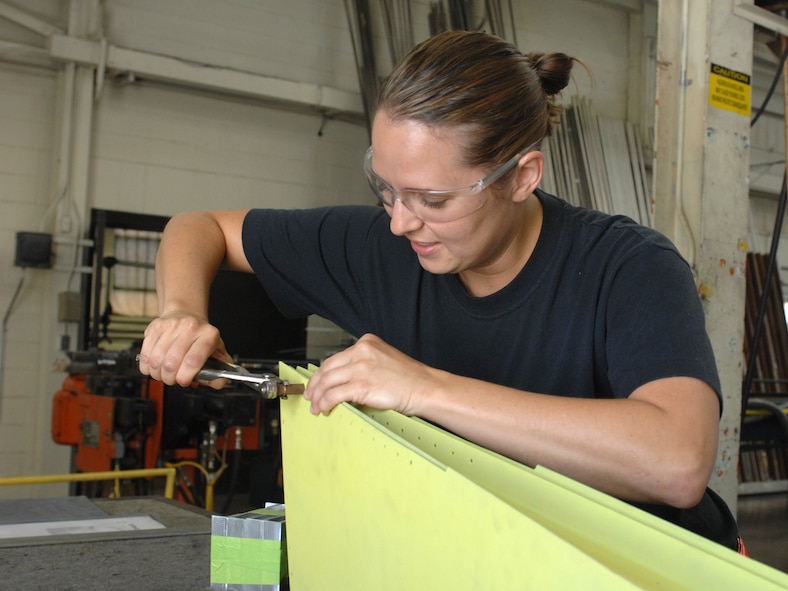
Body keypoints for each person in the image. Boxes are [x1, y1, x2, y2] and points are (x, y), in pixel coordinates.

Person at [138, 30, 743, 552]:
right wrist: (180, 313)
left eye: (433, 200)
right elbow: (200, 228)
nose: (402, 222)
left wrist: (422, 388)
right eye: (387, 189)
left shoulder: (627, 267)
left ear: (521, 177)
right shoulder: (379, 247)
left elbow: (677, 460)